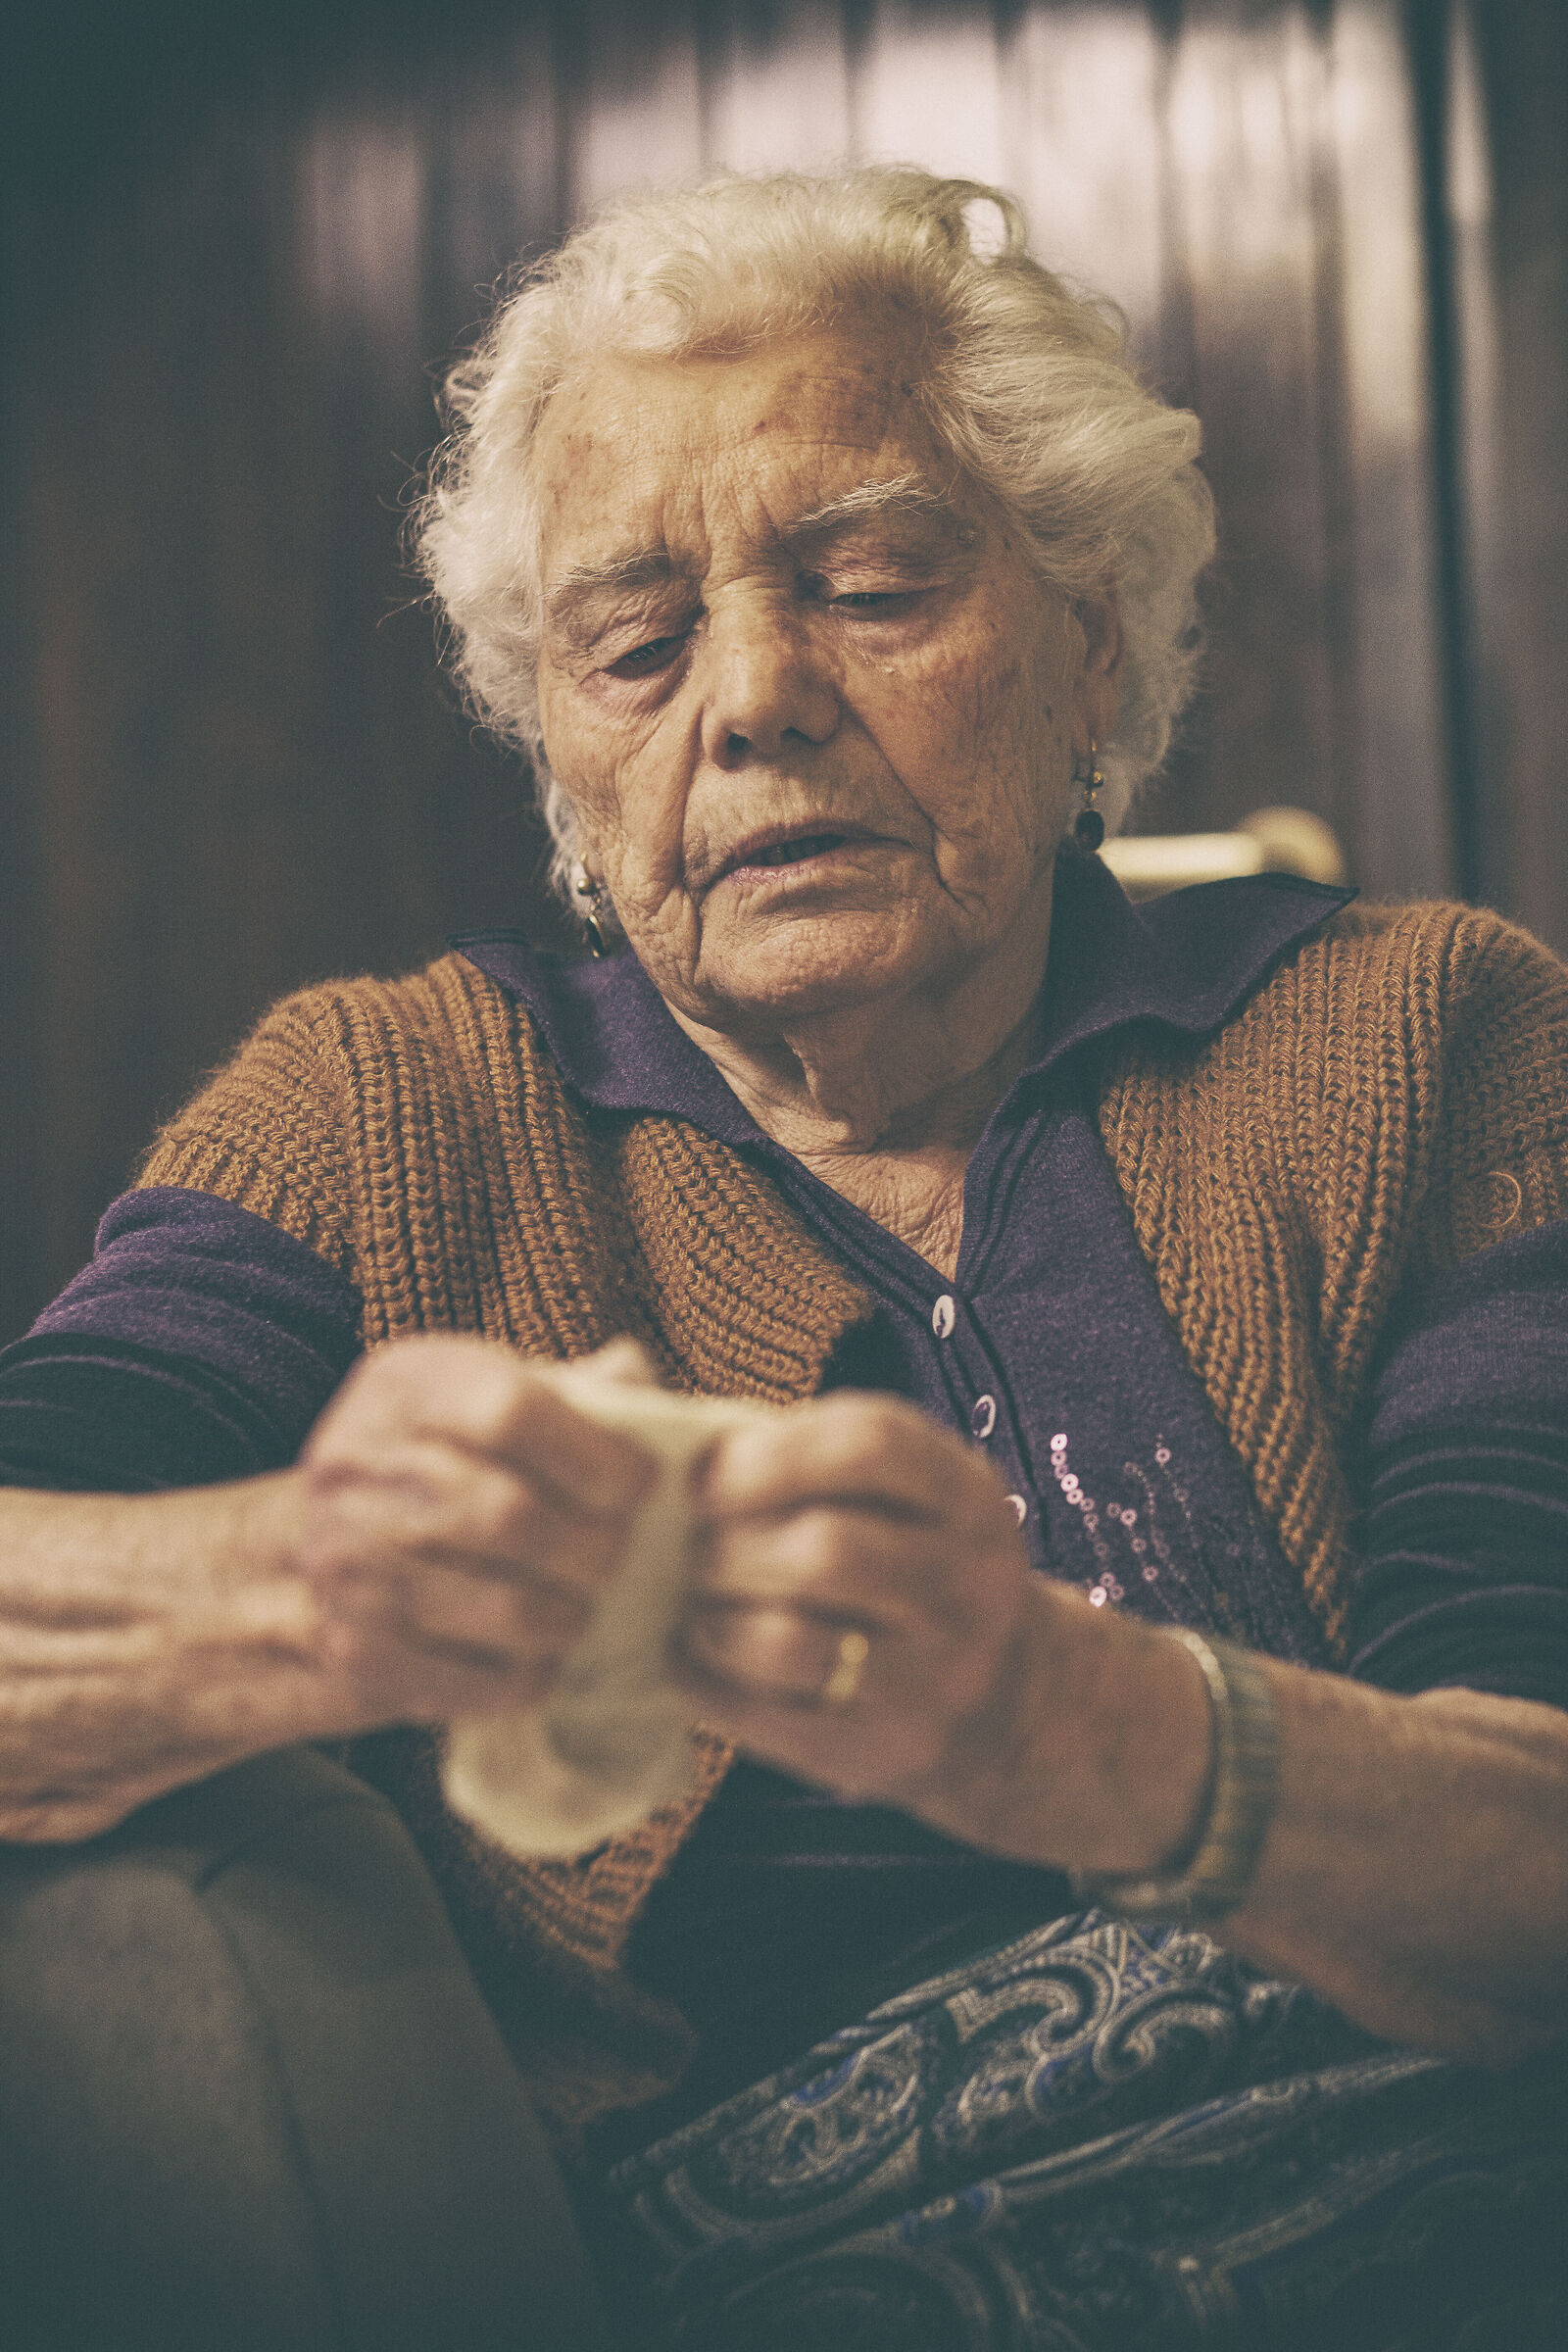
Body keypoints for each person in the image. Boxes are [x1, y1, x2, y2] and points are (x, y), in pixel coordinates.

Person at [1, 166, 1564, 2351]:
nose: (748, 701)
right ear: (558, 744)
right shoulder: (390, 1109)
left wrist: (1045, 1716)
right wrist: (338, 1580)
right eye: (633, 646)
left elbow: (1535, 1838)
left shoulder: (1420, 1034)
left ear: (1086, 627)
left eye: (871, 581)